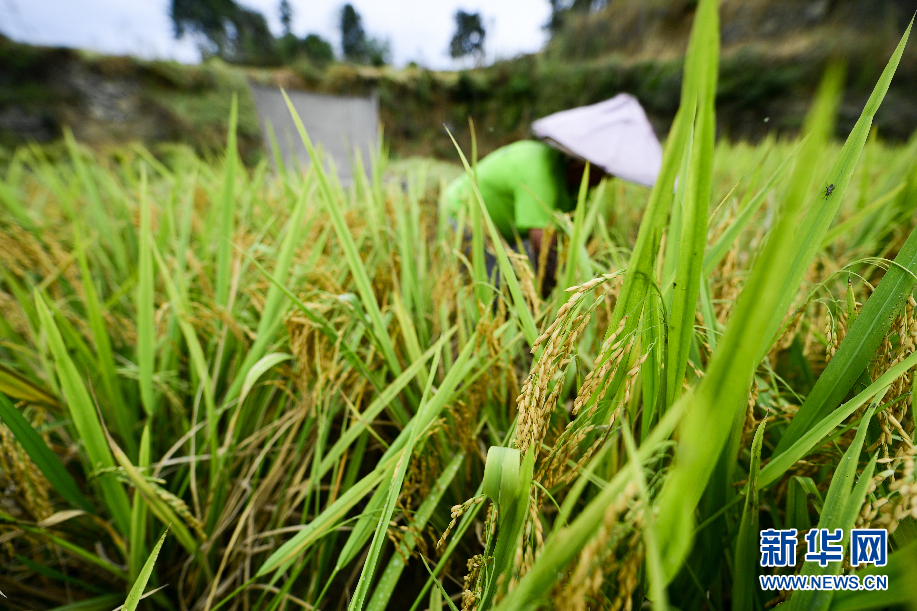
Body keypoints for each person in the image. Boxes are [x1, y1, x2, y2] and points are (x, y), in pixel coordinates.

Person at [444, 139, 603, 294]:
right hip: (463, 215)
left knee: (520, 275)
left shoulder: (577, 185)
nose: (604, 180)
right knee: (494, 286)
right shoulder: (540, 172)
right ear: (584, 164)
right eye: (602, 173)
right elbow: (543, 246)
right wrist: (550, 298)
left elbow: (576, 237)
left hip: (505, 232)